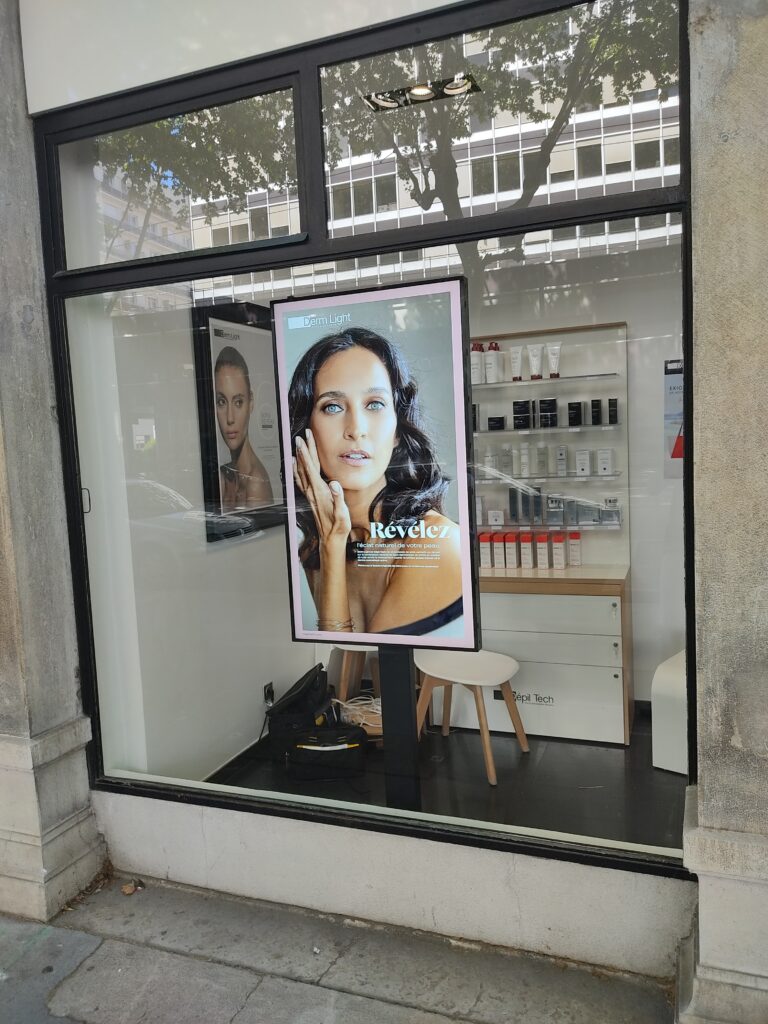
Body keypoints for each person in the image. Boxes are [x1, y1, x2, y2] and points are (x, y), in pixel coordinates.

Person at [289, 327, 463, 636]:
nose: (356, 428)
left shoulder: (437, 543)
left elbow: (376, 660)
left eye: (375, 404)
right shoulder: (313, 550)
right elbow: (346, 660)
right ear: (306, 431)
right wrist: (331, 544)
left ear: (397, 430)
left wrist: (332, 544)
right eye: (332, 406)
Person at [214, 345, 274, 512]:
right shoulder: (224, 476)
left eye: (238, 402)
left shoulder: (255, 484)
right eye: (221, 402)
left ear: (251, 403)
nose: (230, 418)